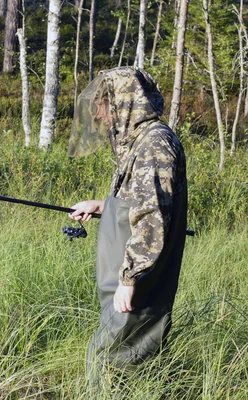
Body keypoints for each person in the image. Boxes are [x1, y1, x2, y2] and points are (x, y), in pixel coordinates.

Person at [67, 67, 188, 377]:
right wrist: (102, 206)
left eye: (101, 105)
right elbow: (139, 201)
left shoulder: (155, 144)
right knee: (119, 352)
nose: (97, 115)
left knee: (113, 358)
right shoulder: (138, 141)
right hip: (128, 275)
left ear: (122, 101)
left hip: (137, 279)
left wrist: (129, 279)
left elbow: (152, 217)